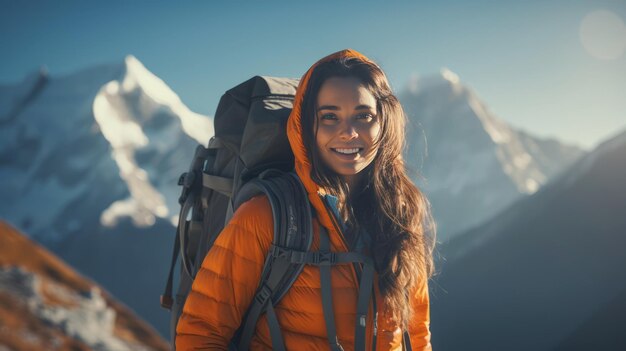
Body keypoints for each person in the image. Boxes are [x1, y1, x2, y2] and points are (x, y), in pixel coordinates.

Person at [176, 49, 435, 350]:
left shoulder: (399, 214)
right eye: (329, 117)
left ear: (384, 122)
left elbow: (417, 336)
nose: (349, 132)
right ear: (305, 128)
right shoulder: (265, 217)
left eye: (363, 116)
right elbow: (200, 333)